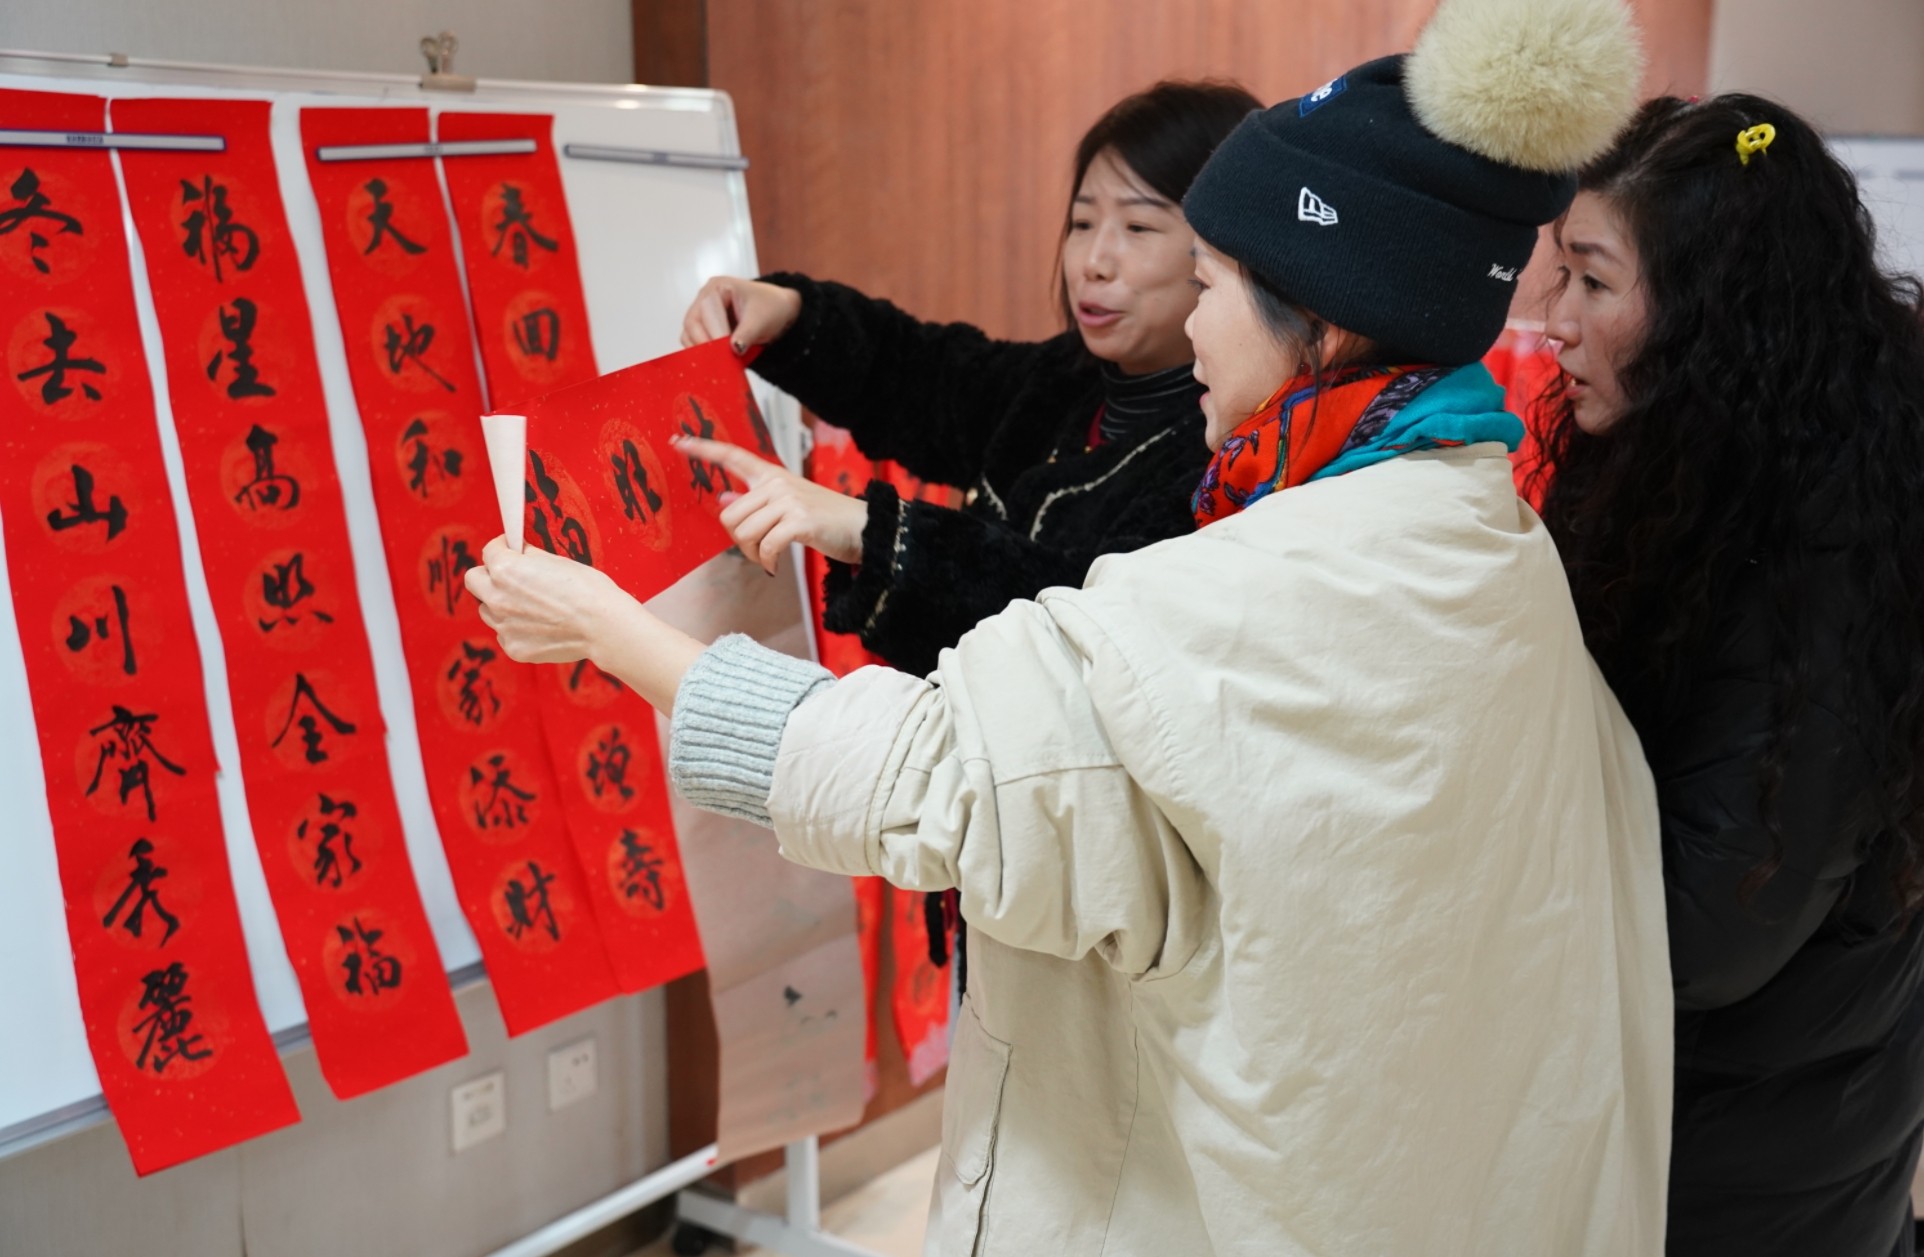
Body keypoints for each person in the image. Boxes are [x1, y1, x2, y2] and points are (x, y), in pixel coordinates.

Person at [468, 0, 1670, 1250]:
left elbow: (932, 775)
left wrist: (616, 631)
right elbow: (946, 380)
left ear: (1325, 322)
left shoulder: (1255, 588)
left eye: (1205, 278)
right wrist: (805, 326)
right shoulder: (1484, 539)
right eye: (1084, 222)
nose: (1183, 318)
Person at [1540, 94, 1924, 1257]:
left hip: (1752, 1152)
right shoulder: (1695, 461)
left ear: (1711, 305)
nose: (1554, 322)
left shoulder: (1823, 543)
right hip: (1751, 1101)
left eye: (1592, 281)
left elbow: (1711, 928)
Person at [677, 78, 1257, 678]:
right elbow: (915, 374)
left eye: (1138, 229)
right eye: (1082, 223)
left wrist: (871, 531)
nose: (1093, 262)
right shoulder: (1058, 380)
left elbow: (1090, 624)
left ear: (1223, 251)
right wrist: (790, 316)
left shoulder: (1232, 454)